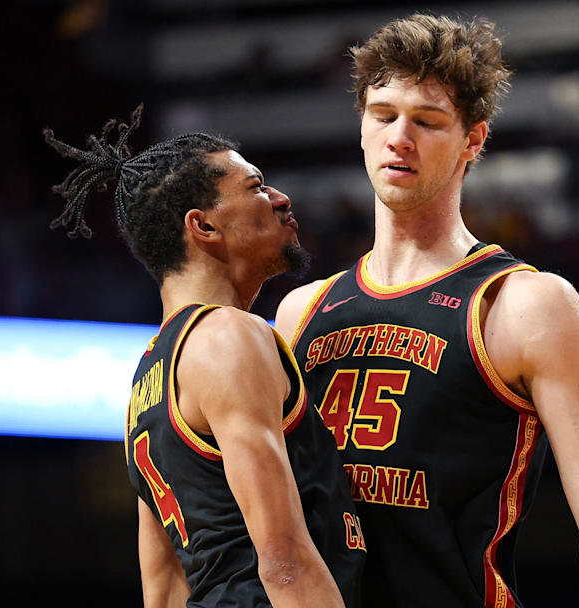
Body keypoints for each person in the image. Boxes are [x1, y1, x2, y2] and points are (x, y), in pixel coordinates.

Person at [276, 14, 579, 608]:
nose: (399, 137)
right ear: (361, 127)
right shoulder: (302, 312)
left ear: (473, 140)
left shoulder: (526, 305)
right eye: (383, 116)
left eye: (427, 122)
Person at [45, 106, 365, 608]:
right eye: (256, 187)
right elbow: (285, 562)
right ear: (204, 226)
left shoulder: (149, 374)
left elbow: (164, 587)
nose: (281, 199)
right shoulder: (229, 338)